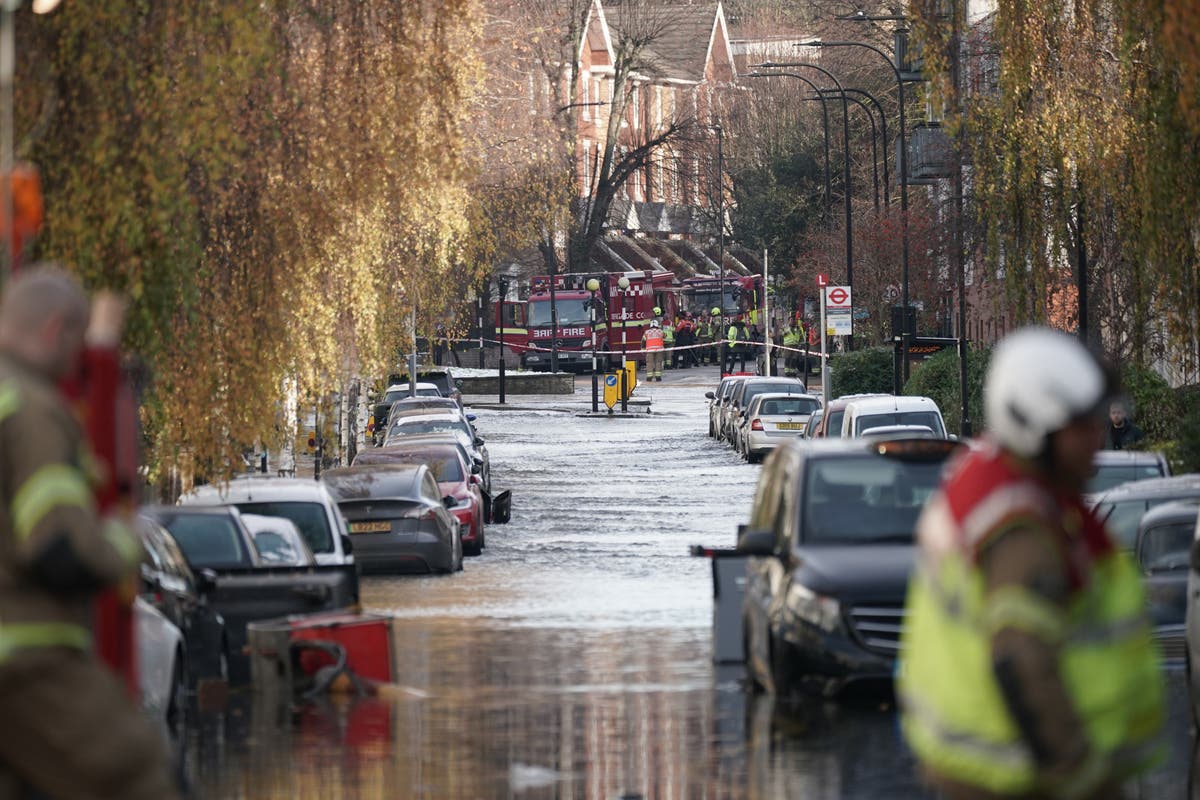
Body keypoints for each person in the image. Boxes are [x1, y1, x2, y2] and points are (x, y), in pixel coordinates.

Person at [898, 327, 1164, 800]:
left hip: (995, 771)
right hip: (1027, 778)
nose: (1097, 436)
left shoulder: (995, 483)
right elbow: (1020, 657)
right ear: (1035, 426)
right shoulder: (1022, 526)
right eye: (1081, 425)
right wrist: (1080, 774)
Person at [0, 267, 179, 800]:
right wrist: (125, 540)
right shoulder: (31, 408)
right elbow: (58, 549)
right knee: (140, 773)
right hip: (26, 660)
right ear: (58, 331)